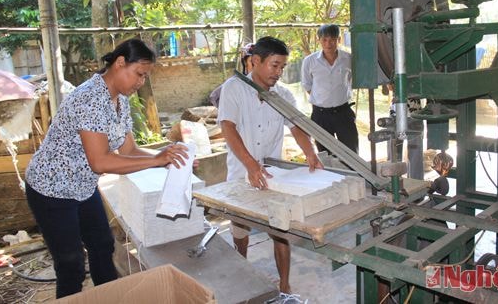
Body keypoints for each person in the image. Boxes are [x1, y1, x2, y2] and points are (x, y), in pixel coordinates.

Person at [25, 38, 192, 299]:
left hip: (82, 185)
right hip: (51, 188)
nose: (141, 83)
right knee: (71, 264)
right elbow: (101, 161)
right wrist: (157, 160)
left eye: (145, 77)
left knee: (103, 246)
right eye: (139, 74)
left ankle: (109, 297)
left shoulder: (120, 100)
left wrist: (167, 157)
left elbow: (129, 152)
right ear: (120, 63)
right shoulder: (90, 98)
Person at [218, 36, 323, 297]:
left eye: (282, 67)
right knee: (240, 228)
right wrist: (251, 165)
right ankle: (242, 267)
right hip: (242, 172)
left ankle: (284, 284)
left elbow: (297, 126)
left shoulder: (282, 94)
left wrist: (310, 153)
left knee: (280, 228)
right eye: (274, 66)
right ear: (255, 61)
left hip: (273, 175)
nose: (278, 72)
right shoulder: (233, 89)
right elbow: (228, 128)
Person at [301, 24, 359, 154]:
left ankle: (353, 174)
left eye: (332, 39)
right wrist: (323, 101)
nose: (328, 44)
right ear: (319, 40)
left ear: (339, 40)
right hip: (320, 115)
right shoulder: (309, 61)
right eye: (324, 40)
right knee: (325, 154)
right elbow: (307, 85)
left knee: (351, 153)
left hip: (343, 113)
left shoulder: (348, 59)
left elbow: (352, 79)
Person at [209, 43, 254, 108]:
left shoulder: (267, 83)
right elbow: (214, 96)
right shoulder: (235, 83)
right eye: (252, 62)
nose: (255, 66)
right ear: (245, 63)